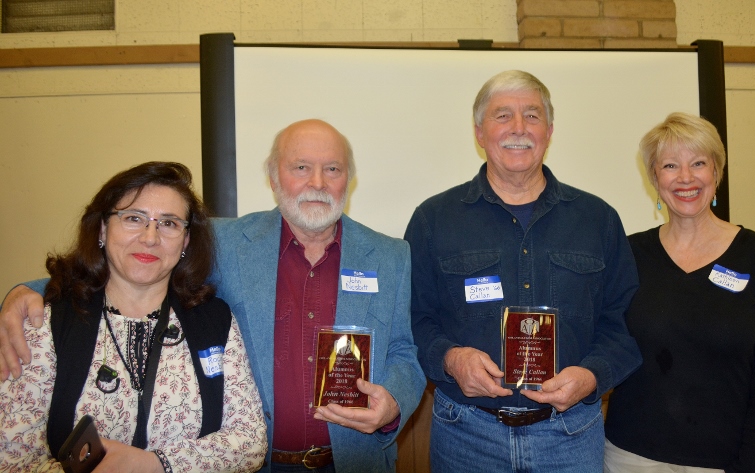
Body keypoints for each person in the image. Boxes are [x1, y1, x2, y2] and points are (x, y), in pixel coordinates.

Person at [0, 119, 426, 473]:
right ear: (274, 178)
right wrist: (27, 292)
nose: (317, 182)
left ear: (347, 179)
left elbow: (405, 352)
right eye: (300, 167)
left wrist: (391, 404)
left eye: (332, 169)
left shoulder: (390, 256)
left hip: (353, 462)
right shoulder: (224, 242)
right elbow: (135, 263)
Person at [403, 69, 642, 472]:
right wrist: (450, 359)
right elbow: (413, 319)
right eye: (502, 116)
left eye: (532, 115)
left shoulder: (597, 220)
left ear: (549, 130)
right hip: (466, 435)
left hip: (570, 437)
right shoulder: (434, 220)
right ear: (479, 132)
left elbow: (625, 323)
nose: (519, 127)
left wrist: (592, 375)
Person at [0, 162, 267, 472]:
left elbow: (249, 442)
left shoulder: (214, 321)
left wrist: (155, 465)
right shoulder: (45, 324)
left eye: (169, 223)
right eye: (133, 218)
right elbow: (10, 458)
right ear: (102, 228)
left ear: (186, 241)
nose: (150, 237)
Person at [603, 112, 755, 473]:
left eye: (698, 163)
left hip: (723, 462)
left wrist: (752, 460)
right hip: (629, 457)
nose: (685, 177)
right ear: (654, 179)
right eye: (670, 165)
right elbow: (606, 340)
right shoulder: (628, 254)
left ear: (716, 172)